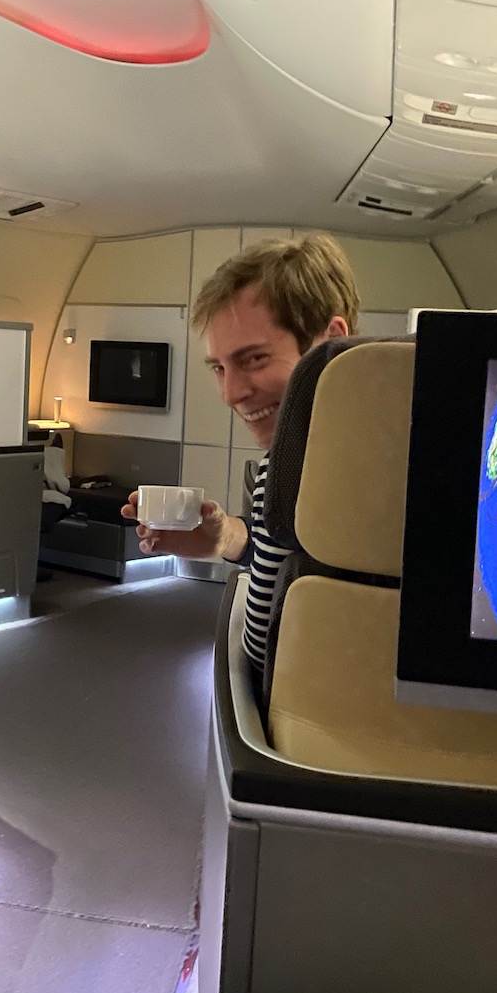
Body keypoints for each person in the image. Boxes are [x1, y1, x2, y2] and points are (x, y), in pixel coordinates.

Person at [122, 233, 360, 692]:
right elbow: (287, 558)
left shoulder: (369, 468)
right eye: (219, 367)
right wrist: (224, 539)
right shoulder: (290, 460)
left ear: (331, 341)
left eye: (253, 359)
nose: (231, 394)